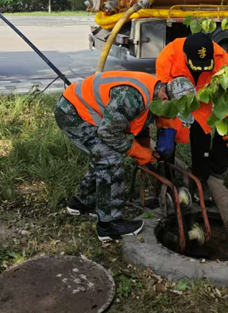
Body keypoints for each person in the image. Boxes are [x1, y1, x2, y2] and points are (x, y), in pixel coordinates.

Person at [55, 72, 196, 242]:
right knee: (110, 159)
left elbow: (138, 123)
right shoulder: (132, 98)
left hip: (89, 113)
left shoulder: (154, 95)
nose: (172, 117)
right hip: (72, 112)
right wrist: (138, 152)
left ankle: (82, 202)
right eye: (173, 111)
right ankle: (108, 226)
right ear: (165, 97)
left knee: (103, 155)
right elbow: (108, 133)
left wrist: (145, 151)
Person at [155, 32, 228, 181]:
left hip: (201, 107)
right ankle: (166, 184)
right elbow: (161, 88)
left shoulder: (222, 59)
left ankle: (200, 184)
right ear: (185, 56)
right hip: (175, 106)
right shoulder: (169, 54)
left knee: (201, 148)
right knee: (166, 148)